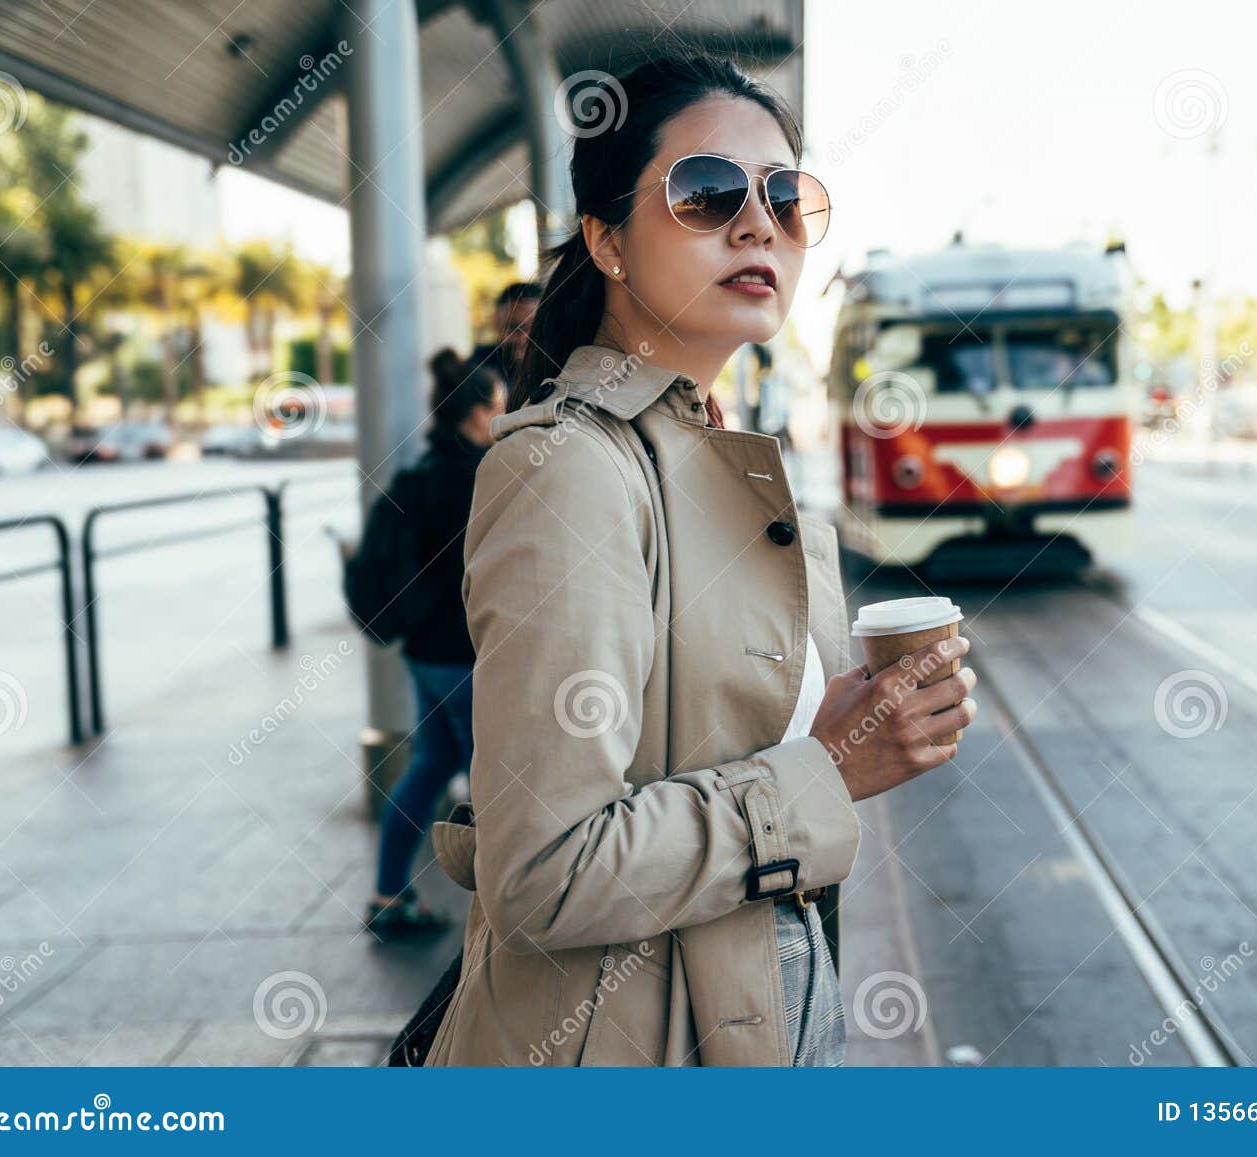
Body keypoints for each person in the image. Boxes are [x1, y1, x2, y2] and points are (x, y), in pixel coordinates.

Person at [421, 53, 978, 1068]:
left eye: (786, 196)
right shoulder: (568, 469)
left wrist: (843, 726)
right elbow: (544, 869)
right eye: (706, 192)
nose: (757, 222)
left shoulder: (716, 453)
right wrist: (827, 769)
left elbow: (711, 756)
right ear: (607, 240)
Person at [363, 350, 507, 940]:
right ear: (475, 415)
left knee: (432, 764)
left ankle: (388, 892)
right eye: (497, 407)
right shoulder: (479, 477)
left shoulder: (422, 472)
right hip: (461, 655)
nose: (502, 418)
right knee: (498, 783)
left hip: (424, 652)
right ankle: (502, 923)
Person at [468, 281, 540, 386]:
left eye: (535, 329)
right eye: (514, 328)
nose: (524, 338)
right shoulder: (478, 367)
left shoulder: (562, 368)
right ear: (495, 324)